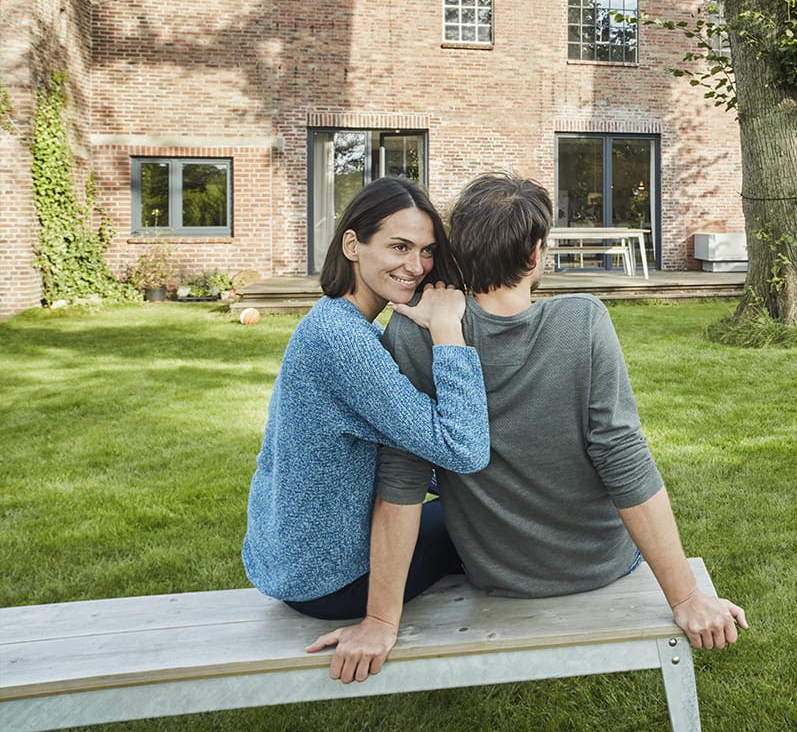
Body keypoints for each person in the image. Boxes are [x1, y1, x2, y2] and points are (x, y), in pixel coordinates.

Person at [310, 174, 747, 683]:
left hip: (497, 571)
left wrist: (381, 621)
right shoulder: (583, 320)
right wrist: (688, 598)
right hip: (601, 563)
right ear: (536, 253)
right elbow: (623, 458)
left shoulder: (415, 329)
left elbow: (401, 481)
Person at [242, 177, 490, 624]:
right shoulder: (342, 342)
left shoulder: (342, 324)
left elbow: (420, 456)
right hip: (333, 580)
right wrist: (448, 330)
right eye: (399, 247)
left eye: (427, 250)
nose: (417, 266)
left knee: (484, 508)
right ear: (353, 245)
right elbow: (462, 448)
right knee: (507, 524)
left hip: (295, 562)